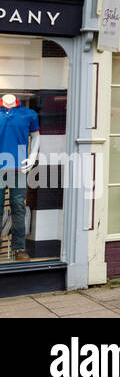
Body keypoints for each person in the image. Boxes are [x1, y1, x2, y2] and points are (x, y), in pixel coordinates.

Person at [0, 93, 41, 261]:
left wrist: (32, 157)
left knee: (18, 207)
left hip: (19, 168)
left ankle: (19, 248)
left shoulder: (29, 114)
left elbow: (36, 137)